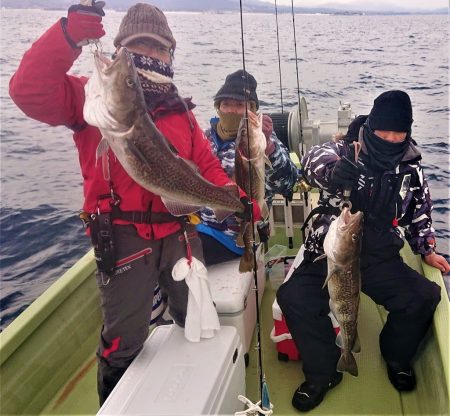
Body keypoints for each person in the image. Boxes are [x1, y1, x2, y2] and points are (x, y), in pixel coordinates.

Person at [9, 2, 260, 405]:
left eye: (159, 48)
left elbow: (209, 168)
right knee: (124, 339)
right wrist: (68, 35)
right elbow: (28, 91)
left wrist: (238, 199)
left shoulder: (182, 110)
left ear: (170, 55)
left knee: (196, 317)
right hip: (124, 239)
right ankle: (116, 403)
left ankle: (197, 392)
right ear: (119, 47)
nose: (148, 54)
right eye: (136, 45)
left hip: (181, 233)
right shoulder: (92, 100)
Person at [276, 90, 449, 412]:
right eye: (386, 130)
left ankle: (396, 357)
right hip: (329, 251)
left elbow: (419, 211)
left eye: (400, 132)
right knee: (294, 297)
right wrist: (334, 173)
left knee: (423, 297)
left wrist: (425, 248)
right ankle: (323, 372)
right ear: (371, 126)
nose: (392, 137)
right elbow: (314, 162)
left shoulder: (410, 167)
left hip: (378, 252)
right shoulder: (343, 150)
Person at [197, 69, 299, 265]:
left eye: (240, 105)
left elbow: (288, 183)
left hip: (233, 235)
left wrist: (268, 146)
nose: (231, 110)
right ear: (218, 107)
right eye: (226, 104)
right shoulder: (203, 138)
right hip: (198, 226)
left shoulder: (264, 143)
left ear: (252, 109)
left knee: (180, 261)